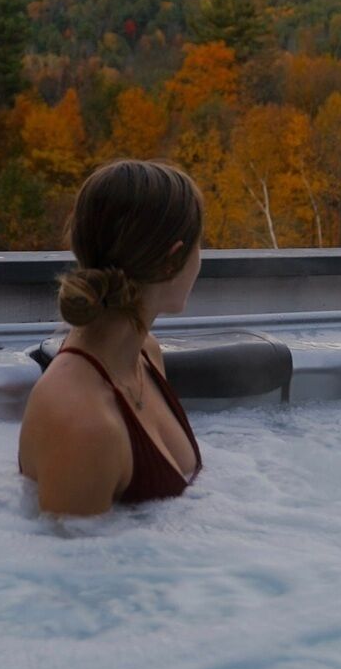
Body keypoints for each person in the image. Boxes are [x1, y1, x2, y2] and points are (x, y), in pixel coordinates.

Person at [18, 158, 205, 516]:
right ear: (173, 259)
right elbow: (70, 567)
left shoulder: (145, 355)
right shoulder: (84, 425)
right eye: (200, 245)